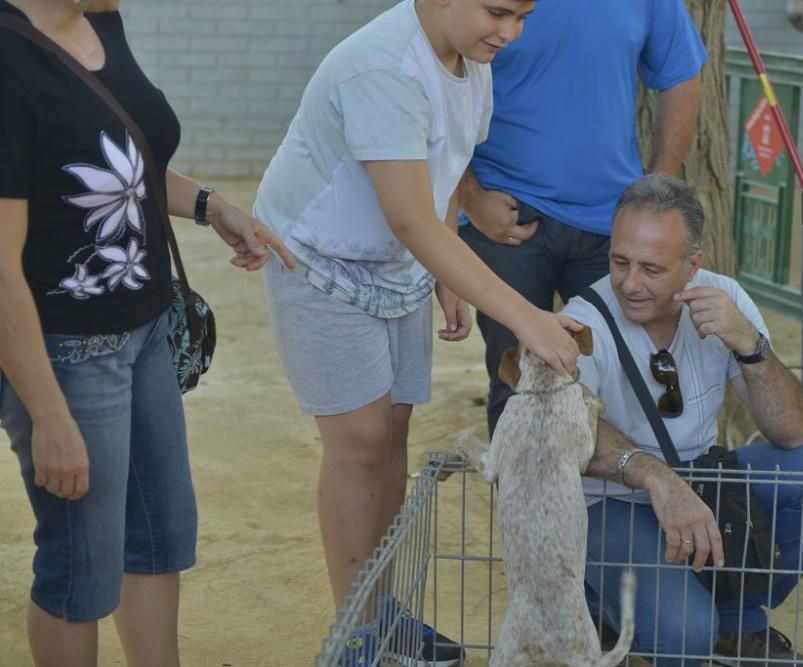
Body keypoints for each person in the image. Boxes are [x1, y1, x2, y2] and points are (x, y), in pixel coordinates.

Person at [252, 0, 580, 664]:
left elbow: (444, 168)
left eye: (522, 16)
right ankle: (355, 635)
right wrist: (526, 315)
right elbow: (409, 217)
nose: (511, 33)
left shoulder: (472, 55)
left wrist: (445, 274)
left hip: (397, 260)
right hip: (318, 258)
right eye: (498, 12)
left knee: (394, 429)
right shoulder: (384, 65)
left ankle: (380, 610)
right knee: (361, 442)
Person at [0, 1, 296, 666]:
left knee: (160, 537)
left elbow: (125, 164)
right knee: (79, 570)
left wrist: (211, 205)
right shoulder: (9, 60)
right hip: (68, 355)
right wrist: (48, 412)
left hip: (146, 330)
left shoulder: (101, 18)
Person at [558, 175, 803, 667]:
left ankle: (738, 624)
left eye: (651, 268)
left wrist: (750, 346)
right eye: (620, 262)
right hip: (610, 502)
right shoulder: (583, 318)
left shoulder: (724, 297)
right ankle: (605, 607)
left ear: (691, 266)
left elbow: (791, 432)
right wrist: (658, 479)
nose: (630, 283)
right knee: (685, 635)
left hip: (704, 480)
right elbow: (575, 432)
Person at [458, 0, 707, 435]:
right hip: (507, 223)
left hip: (611, 231)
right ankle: (524, 502)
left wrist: (654, 196)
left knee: (627, 387)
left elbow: (681, 75)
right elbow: (434, 74)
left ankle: (618, 502)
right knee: (519, 389)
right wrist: (471, 197)